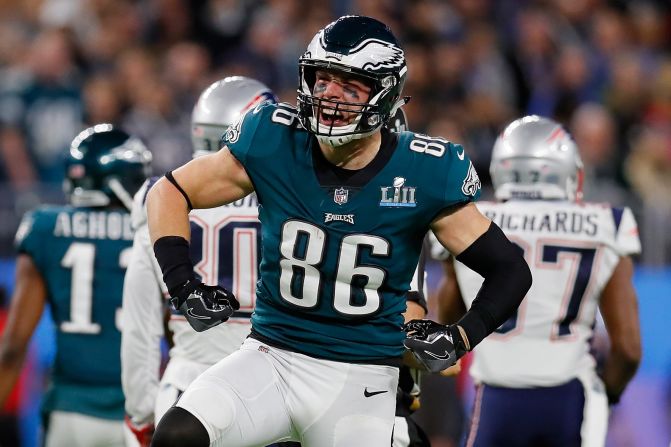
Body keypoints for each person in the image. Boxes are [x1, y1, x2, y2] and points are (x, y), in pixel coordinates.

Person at [147, 15, 531, 446]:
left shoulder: (424, 170)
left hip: (360, 377)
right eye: (322, 80)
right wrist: (183, 285)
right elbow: (169, 192)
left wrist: (461, 337)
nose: (329, 97)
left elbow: (510, 270)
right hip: (270, 355)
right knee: (177, 435)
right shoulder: (274, 138)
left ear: (385, 96)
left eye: (349, 87)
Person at [432, 115, 642, 447]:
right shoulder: (607, 223)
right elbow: (628, 349)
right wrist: (609, 394)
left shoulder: (465, 221)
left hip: (495, 399)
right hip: (569, 397)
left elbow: (446, 320)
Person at [120, 76, 281, 446]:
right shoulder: (290, 194)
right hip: (270, 389)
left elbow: (140, 324)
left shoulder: (162, 196)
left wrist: (141, 412)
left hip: (186, 389)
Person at [0, 124, 152, 446]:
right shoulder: (154, 233)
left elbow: (13, 347)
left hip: (71, 410)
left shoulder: (45, 228)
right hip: (139, 411)